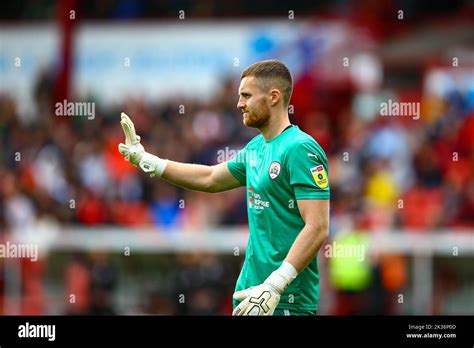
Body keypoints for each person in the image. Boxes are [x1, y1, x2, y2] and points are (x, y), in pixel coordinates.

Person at [118, 59, 330, 316]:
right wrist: (147, 160)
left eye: (246, 96)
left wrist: (275, 284)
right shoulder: (256, 148)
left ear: (273, 97)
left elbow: (317, 226)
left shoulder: (300, 149)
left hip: (285, 298)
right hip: (250, 291)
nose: (239, 103)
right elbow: (209, 178)